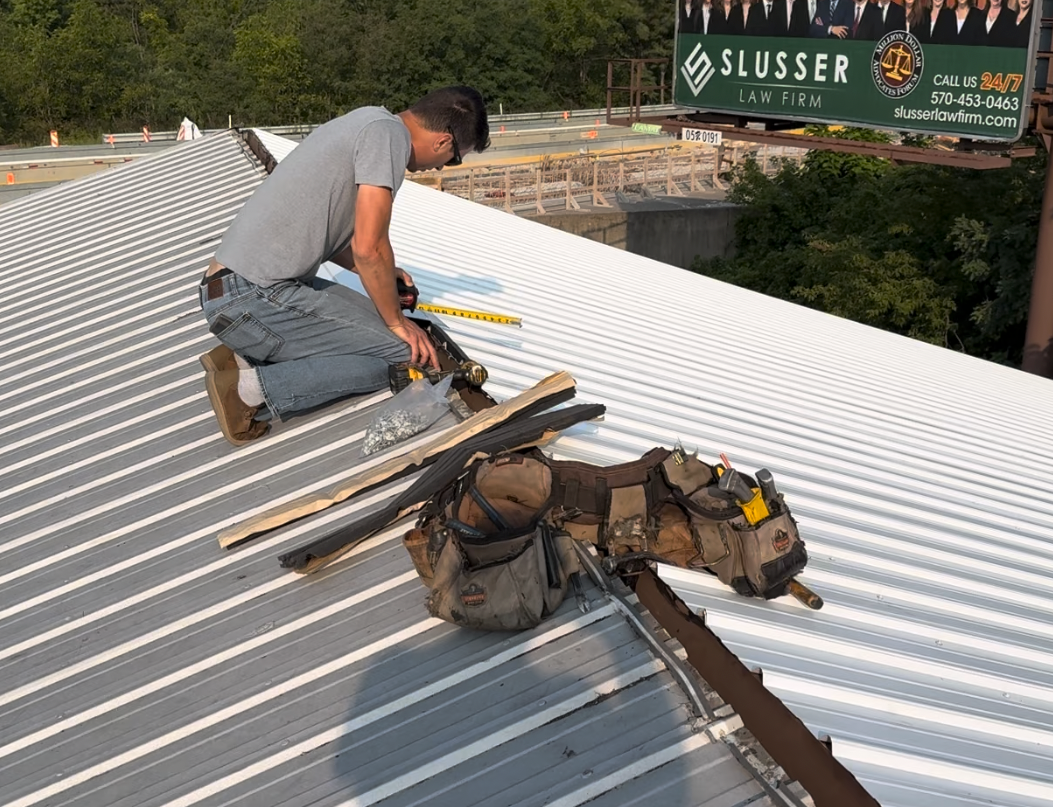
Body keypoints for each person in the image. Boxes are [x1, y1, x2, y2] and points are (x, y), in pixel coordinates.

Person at [197, 86, 491, 446]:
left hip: (237, 289)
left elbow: (338, 238)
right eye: (454, 159)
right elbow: (370, 248)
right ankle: (248, 393)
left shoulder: (370, 121)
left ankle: (244, 356)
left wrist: (384, 276)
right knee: (404, 355)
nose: (442, 167)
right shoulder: (388, 139)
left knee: (387, 330)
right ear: (444, 142)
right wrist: (396, 322)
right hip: (253, 297)